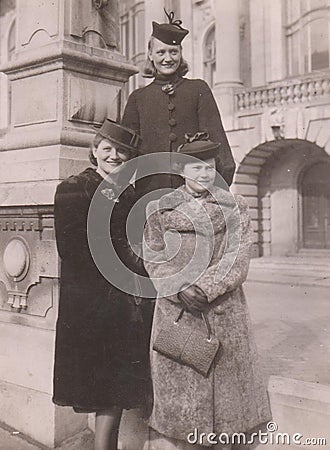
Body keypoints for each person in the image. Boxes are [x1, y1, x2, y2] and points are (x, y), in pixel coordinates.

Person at [143, 133, 271, 449]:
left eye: (208, 167)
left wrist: (204, 287)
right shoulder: (160, 209)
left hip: (225, 314)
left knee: (229, 411)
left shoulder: (235, 206)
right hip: (177, 314)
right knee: (184, 408)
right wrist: (178, 288)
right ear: (181, 170)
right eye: (195, 167)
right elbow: (153, 255)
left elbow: (238, 256)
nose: (202, 174)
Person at [52, 119, 152, 450]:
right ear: (94, 151)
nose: (113, 155)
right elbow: (71, 249)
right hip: (91, 303)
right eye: (106, 149)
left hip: (124, 304)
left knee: (115, 391)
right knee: (102, 389)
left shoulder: (129, 192)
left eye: (121, 151)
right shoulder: (75, 187)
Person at [121, 10, 236, 196]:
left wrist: (215, 193)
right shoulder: (138, 98)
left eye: (173, 52)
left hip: (195, 194)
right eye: (160, 52)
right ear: (150, 55)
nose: (168, 58)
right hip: (151, 194)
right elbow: (127, 153)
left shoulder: (198, 89)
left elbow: (218, 143)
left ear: (181, 53)